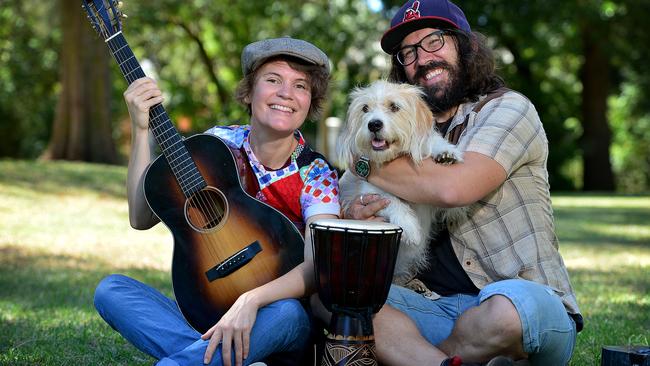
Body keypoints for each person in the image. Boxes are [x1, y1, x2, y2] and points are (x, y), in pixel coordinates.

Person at [344, 1, 583, 365]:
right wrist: (357, 211)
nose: (422, 58)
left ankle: (414, 357)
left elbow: (453, 190)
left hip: (515, 302)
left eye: (434, 41)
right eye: (408, 52)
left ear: (465, 45)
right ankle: (442, 361)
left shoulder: (508, 109)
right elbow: (348, 197)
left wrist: (362, 162)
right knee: (332, 294)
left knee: (506, 313)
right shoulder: (398, 126)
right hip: (428, 305)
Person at [93, 37, 340, 366]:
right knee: (111, 291)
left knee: (287, 312)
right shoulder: (216, 145)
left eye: (300, 86)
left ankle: (186, 361)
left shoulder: (316, 173)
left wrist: (250, 301)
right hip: (208, 310)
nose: (286, 93)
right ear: (249, 92)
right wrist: (140, 130)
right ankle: (235, 359)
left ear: (310, 101)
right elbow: (140, 217)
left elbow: (317, 269)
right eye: (272, 80)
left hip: (281, 318)